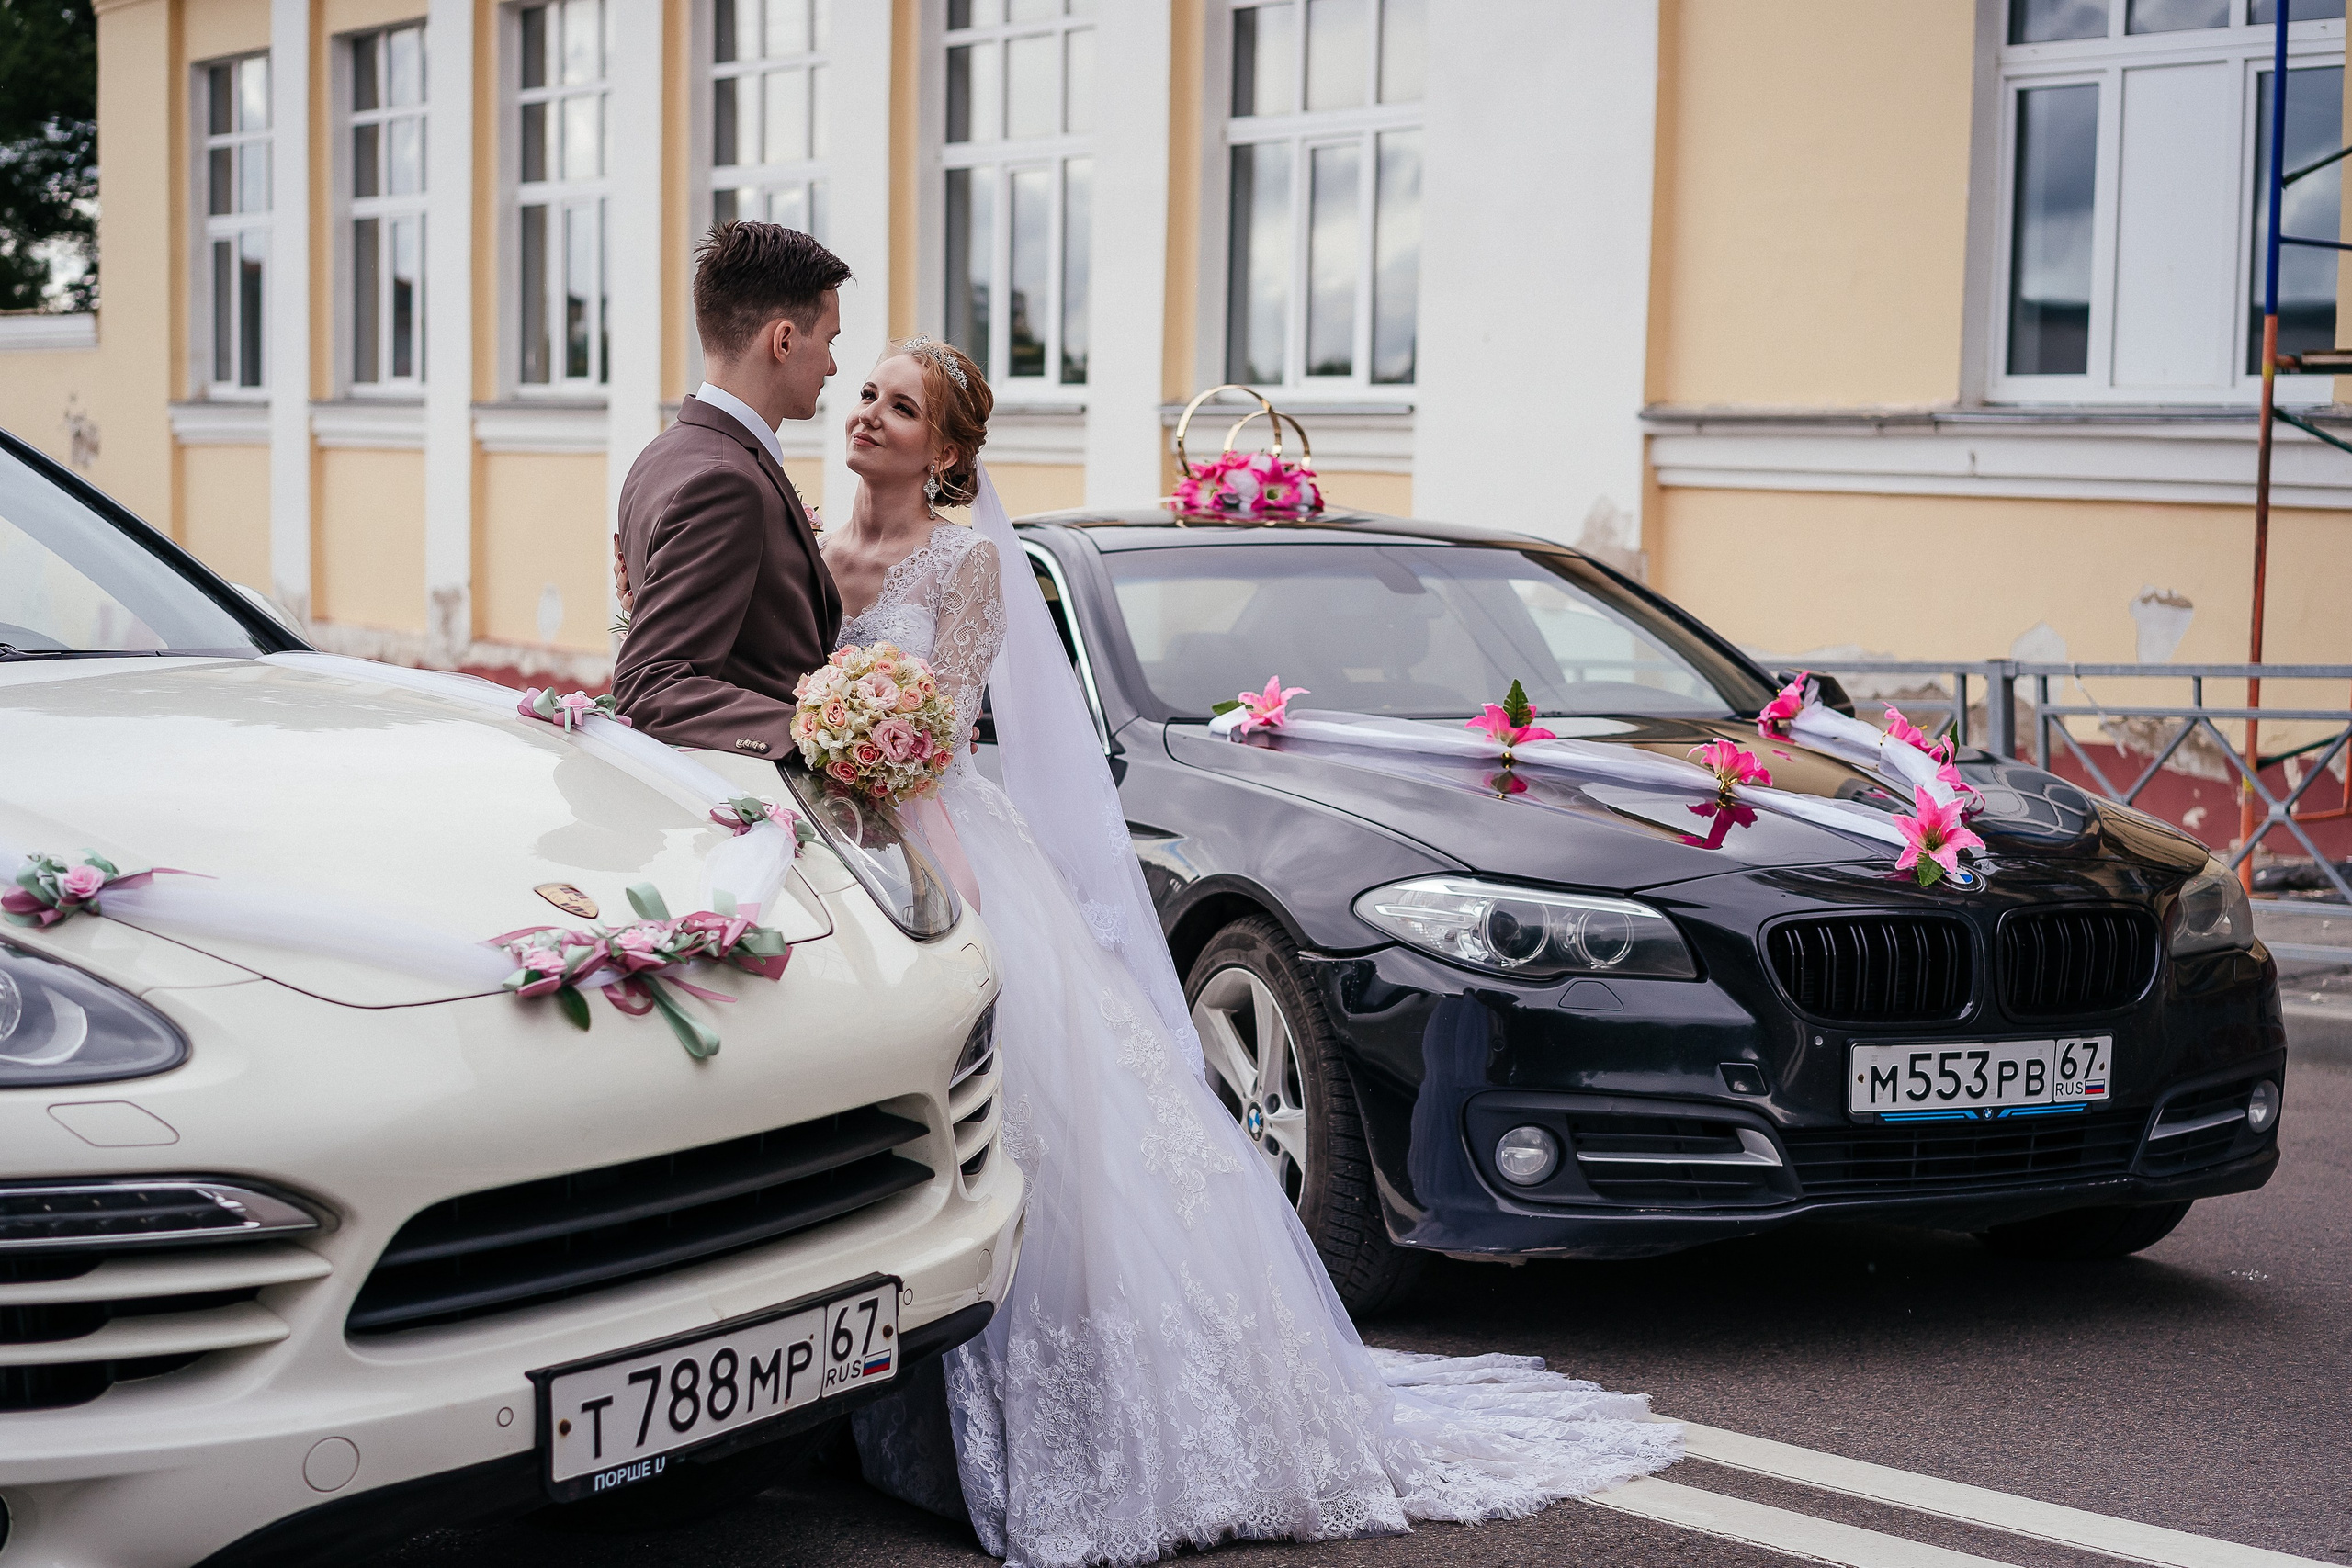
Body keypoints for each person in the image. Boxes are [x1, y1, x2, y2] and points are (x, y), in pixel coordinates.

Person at [789, 336, 1681, 1568]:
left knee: (1032, 1125)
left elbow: (941, 723)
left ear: (946, 448)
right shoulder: (816, 553)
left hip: (950, 842)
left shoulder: (970, 560)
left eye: (903, 406)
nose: (872, 416)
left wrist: (873, 752)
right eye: (867, 395)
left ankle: (1087, 1418)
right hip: (832, 842)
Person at [611, 222, 846, 760]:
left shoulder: (662, 454)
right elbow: (652, 688)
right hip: (751, 799)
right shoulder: (728, 483)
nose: (832, 366)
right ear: (783, 341)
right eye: (829, 341)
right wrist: (830, 737)